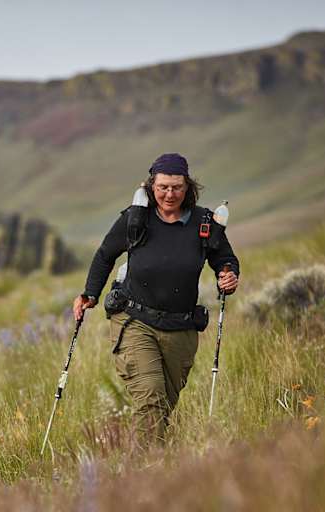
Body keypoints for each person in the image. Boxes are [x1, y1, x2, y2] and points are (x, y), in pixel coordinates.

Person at [72, 152, 239, 445]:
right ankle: (141, 473)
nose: (169, 194)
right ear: (152, 186)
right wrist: (90, 294)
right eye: (162, 187)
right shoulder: (136, 219)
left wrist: (228, 274)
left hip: (181, 329)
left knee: (163, 407)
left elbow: (224, 258)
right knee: (151, 399)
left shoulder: (204, 222)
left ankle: (155, 471)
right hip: (135, 321)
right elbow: (105, 255)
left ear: (188, 187)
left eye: (176, 187)